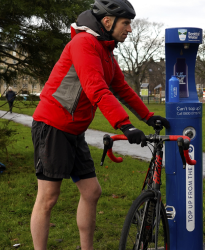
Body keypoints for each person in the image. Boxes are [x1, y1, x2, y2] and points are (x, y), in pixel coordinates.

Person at [29, 1, 170, 249]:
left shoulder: (105, 51)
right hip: (52, 126)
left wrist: (148, 117)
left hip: (74, 131)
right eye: (126, 23)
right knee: (48, 198)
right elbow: (96, 87)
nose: (129, 29)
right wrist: (125, 125)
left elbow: (122, 88)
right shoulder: (84, 44)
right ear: (108, 22)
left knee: (92, 191)